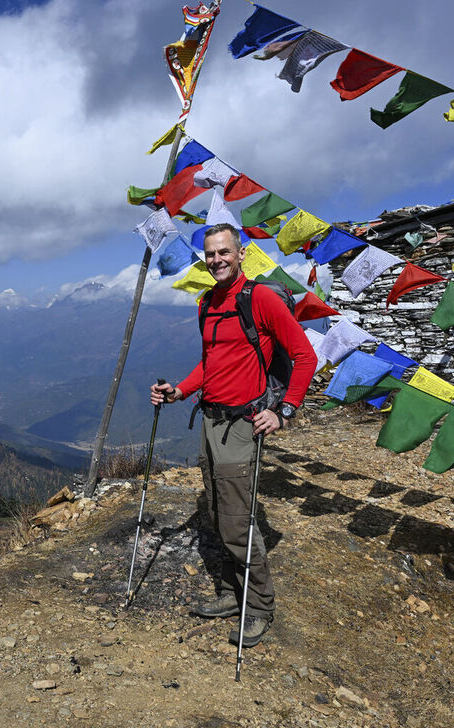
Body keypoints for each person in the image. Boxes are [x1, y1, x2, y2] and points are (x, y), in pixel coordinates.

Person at [150, 223, 317, 647]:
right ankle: (230, 593)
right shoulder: (206, 303)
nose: (217, 260)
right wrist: (180, 391)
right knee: (218, 513)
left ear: (241, 254)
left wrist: (285, 410)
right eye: (211, 254)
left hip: (243, 424)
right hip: (209, 420)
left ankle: (259, 607)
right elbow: (211, 362)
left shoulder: (259, 299)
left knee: (238, 521)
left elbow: (304, 355)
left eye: (224, 252)